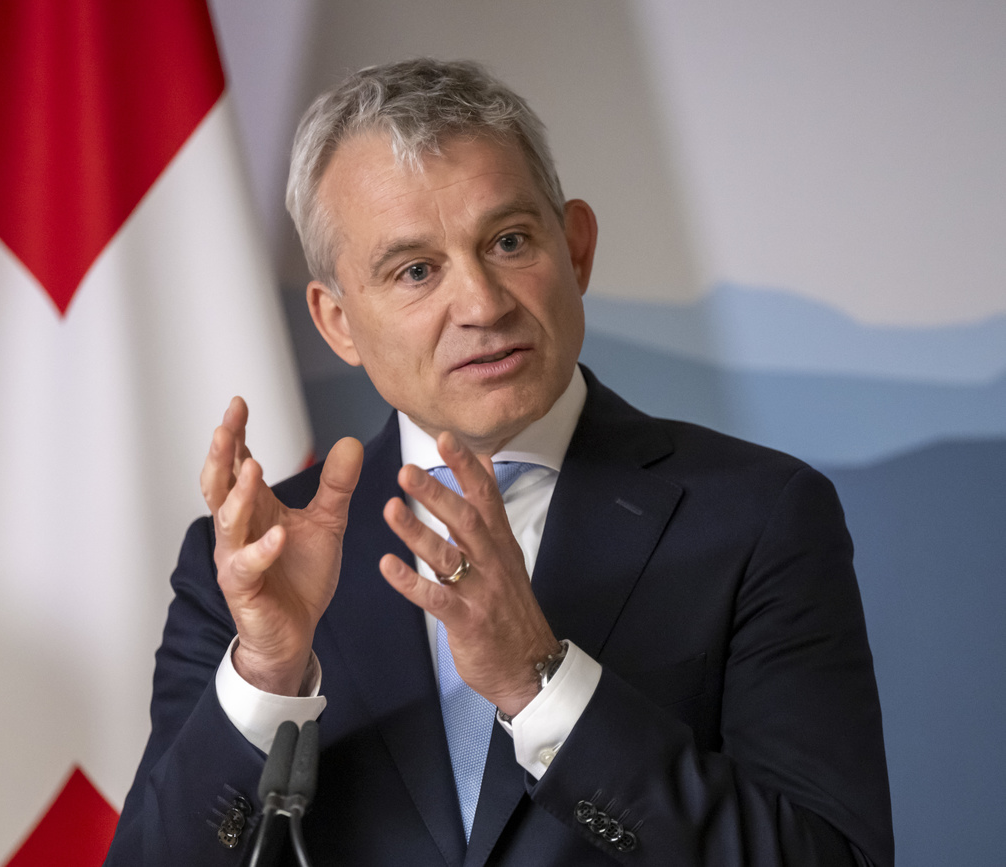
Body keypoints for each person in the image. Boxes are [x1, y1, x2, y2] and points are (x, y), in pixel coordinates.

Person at [105, 58, 893, 866]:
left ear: (576, 248)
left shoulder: (761, 516)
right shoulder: (245, 566)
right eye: (416, 270)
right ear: (337, 321)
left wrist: (542, 683)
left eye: (509, 241)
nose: (483, 305)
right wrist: (269, 672)